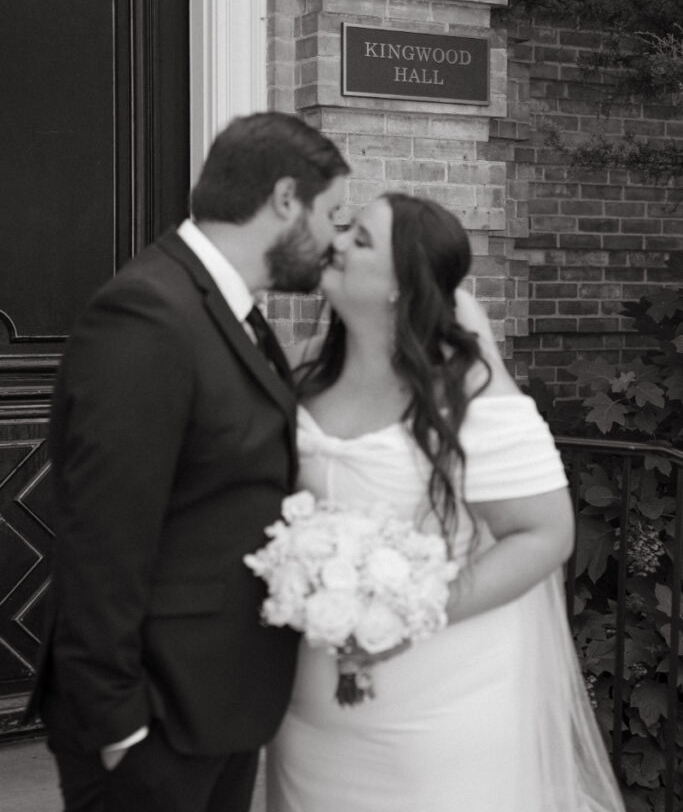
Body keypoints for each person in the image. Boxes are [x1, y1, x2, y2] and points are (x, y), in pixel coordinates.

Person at [25, 111, 349, 812]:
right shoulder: (149, 314)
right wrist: (119, 725)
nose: (332, 239)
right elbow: (102, 533)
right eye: (331, 213)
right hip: (154, 716)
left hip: (215, 704)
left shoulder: (234, 314)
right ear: (285, 199)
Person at [267, 192, 626, 812]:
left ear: (400, 288)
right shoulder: (299, 376)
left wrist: (413, 611)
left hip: (437, 703)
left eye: (362, 240)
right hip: (310, 701)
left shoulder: (470, 390)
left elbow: (545, 534)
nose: (339, 242)